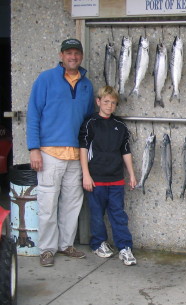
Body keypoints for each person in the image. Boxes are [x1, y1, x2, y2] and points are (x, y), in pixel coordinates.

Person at [27, 38, 94, 267]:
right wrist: (34, 149)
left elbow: (88, 121)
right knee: (47, 203)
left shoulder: (87, 85)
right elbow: (33, 114)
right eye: (68, 53)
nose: (72, 56)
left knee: (72, 204)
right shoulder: (45, 79)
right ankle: (47, 249)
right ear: (61, 56)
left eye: (76, 53)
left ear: (81, 56)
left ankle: (66, 244)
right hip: (49, 153)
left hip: (76, 155)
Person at [79, 86, 137, 266]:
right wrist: (86, 175)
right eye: (106, 101)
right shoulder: (90, 123)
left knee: (118, 214)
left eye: (113, 103)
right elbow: (83, 151)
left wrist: (132, 175)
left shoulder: (120, 126)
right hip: (96, 179)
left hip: (116, 179)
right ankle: (98, 243)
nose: (109, 105)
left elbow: (125, 151)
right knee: (96, 214)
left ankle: (124, 248)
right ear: (98, 102)